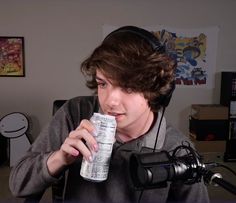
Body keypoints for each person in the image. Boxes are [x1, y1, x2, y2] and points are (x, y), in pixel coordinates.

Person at [9, 26, 209, 203]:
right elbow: (18, 185)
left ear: (155, 89)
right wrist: (60, 158)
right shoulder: (75, 112)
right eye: (103, 83)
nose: (110, 101)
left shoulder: (178, 151)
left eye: (128, 86)